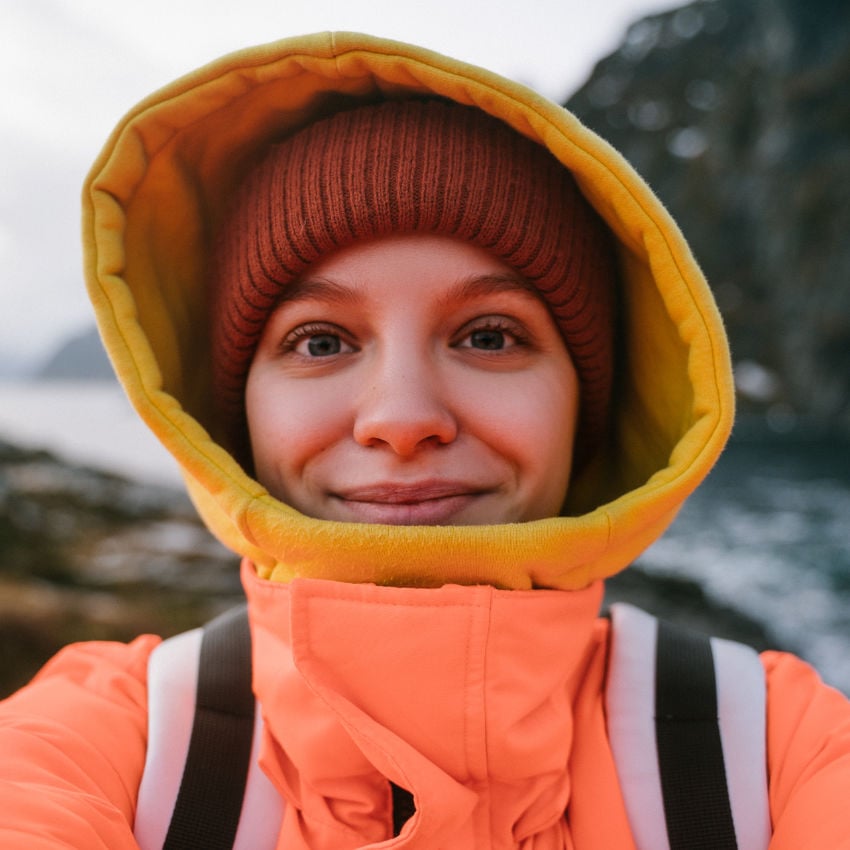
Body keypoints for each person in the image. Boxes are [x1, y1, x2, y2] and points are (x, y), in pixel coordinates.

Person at [0, 31, 848, 850]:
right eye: (321, 342)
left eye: (488, 335)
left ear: (586, 402)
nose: (401, 419)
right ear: (237, 416)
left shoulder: (774, 753)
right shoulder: (106, 743)